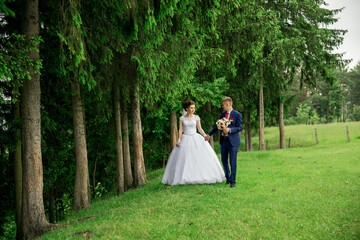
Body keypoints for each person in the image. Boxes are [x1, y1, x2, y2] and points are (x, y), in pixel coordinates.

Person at [162, 100, 226, 186]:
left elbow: (200, 128)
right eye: (191, 108)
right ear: (187, 108)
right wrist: (179, 140)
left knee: (199, 157)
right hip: (185, 138)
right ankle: (184, 176)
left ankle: (200, 176)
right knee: (185, 158)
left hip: (195, 137)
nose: (193, 109)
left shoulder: (196, 117)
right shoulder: (182, 118)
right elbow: (180, 129)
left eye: (194, 108)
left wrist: (205, 135)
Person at [205, 97, 242, 188]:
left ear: (227, 104)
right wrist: (209, 135)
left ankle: (233, 181)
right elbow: (216, 126)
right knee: (224, 160)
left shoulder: (237, 115)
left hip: (233, 142)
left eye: (223, 105)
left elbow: (239, 127)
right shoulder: (222, 114)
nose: (222, 107)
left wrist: (230, 129)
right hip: (224, 141)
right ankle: (228, 178)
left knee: (232, 162)